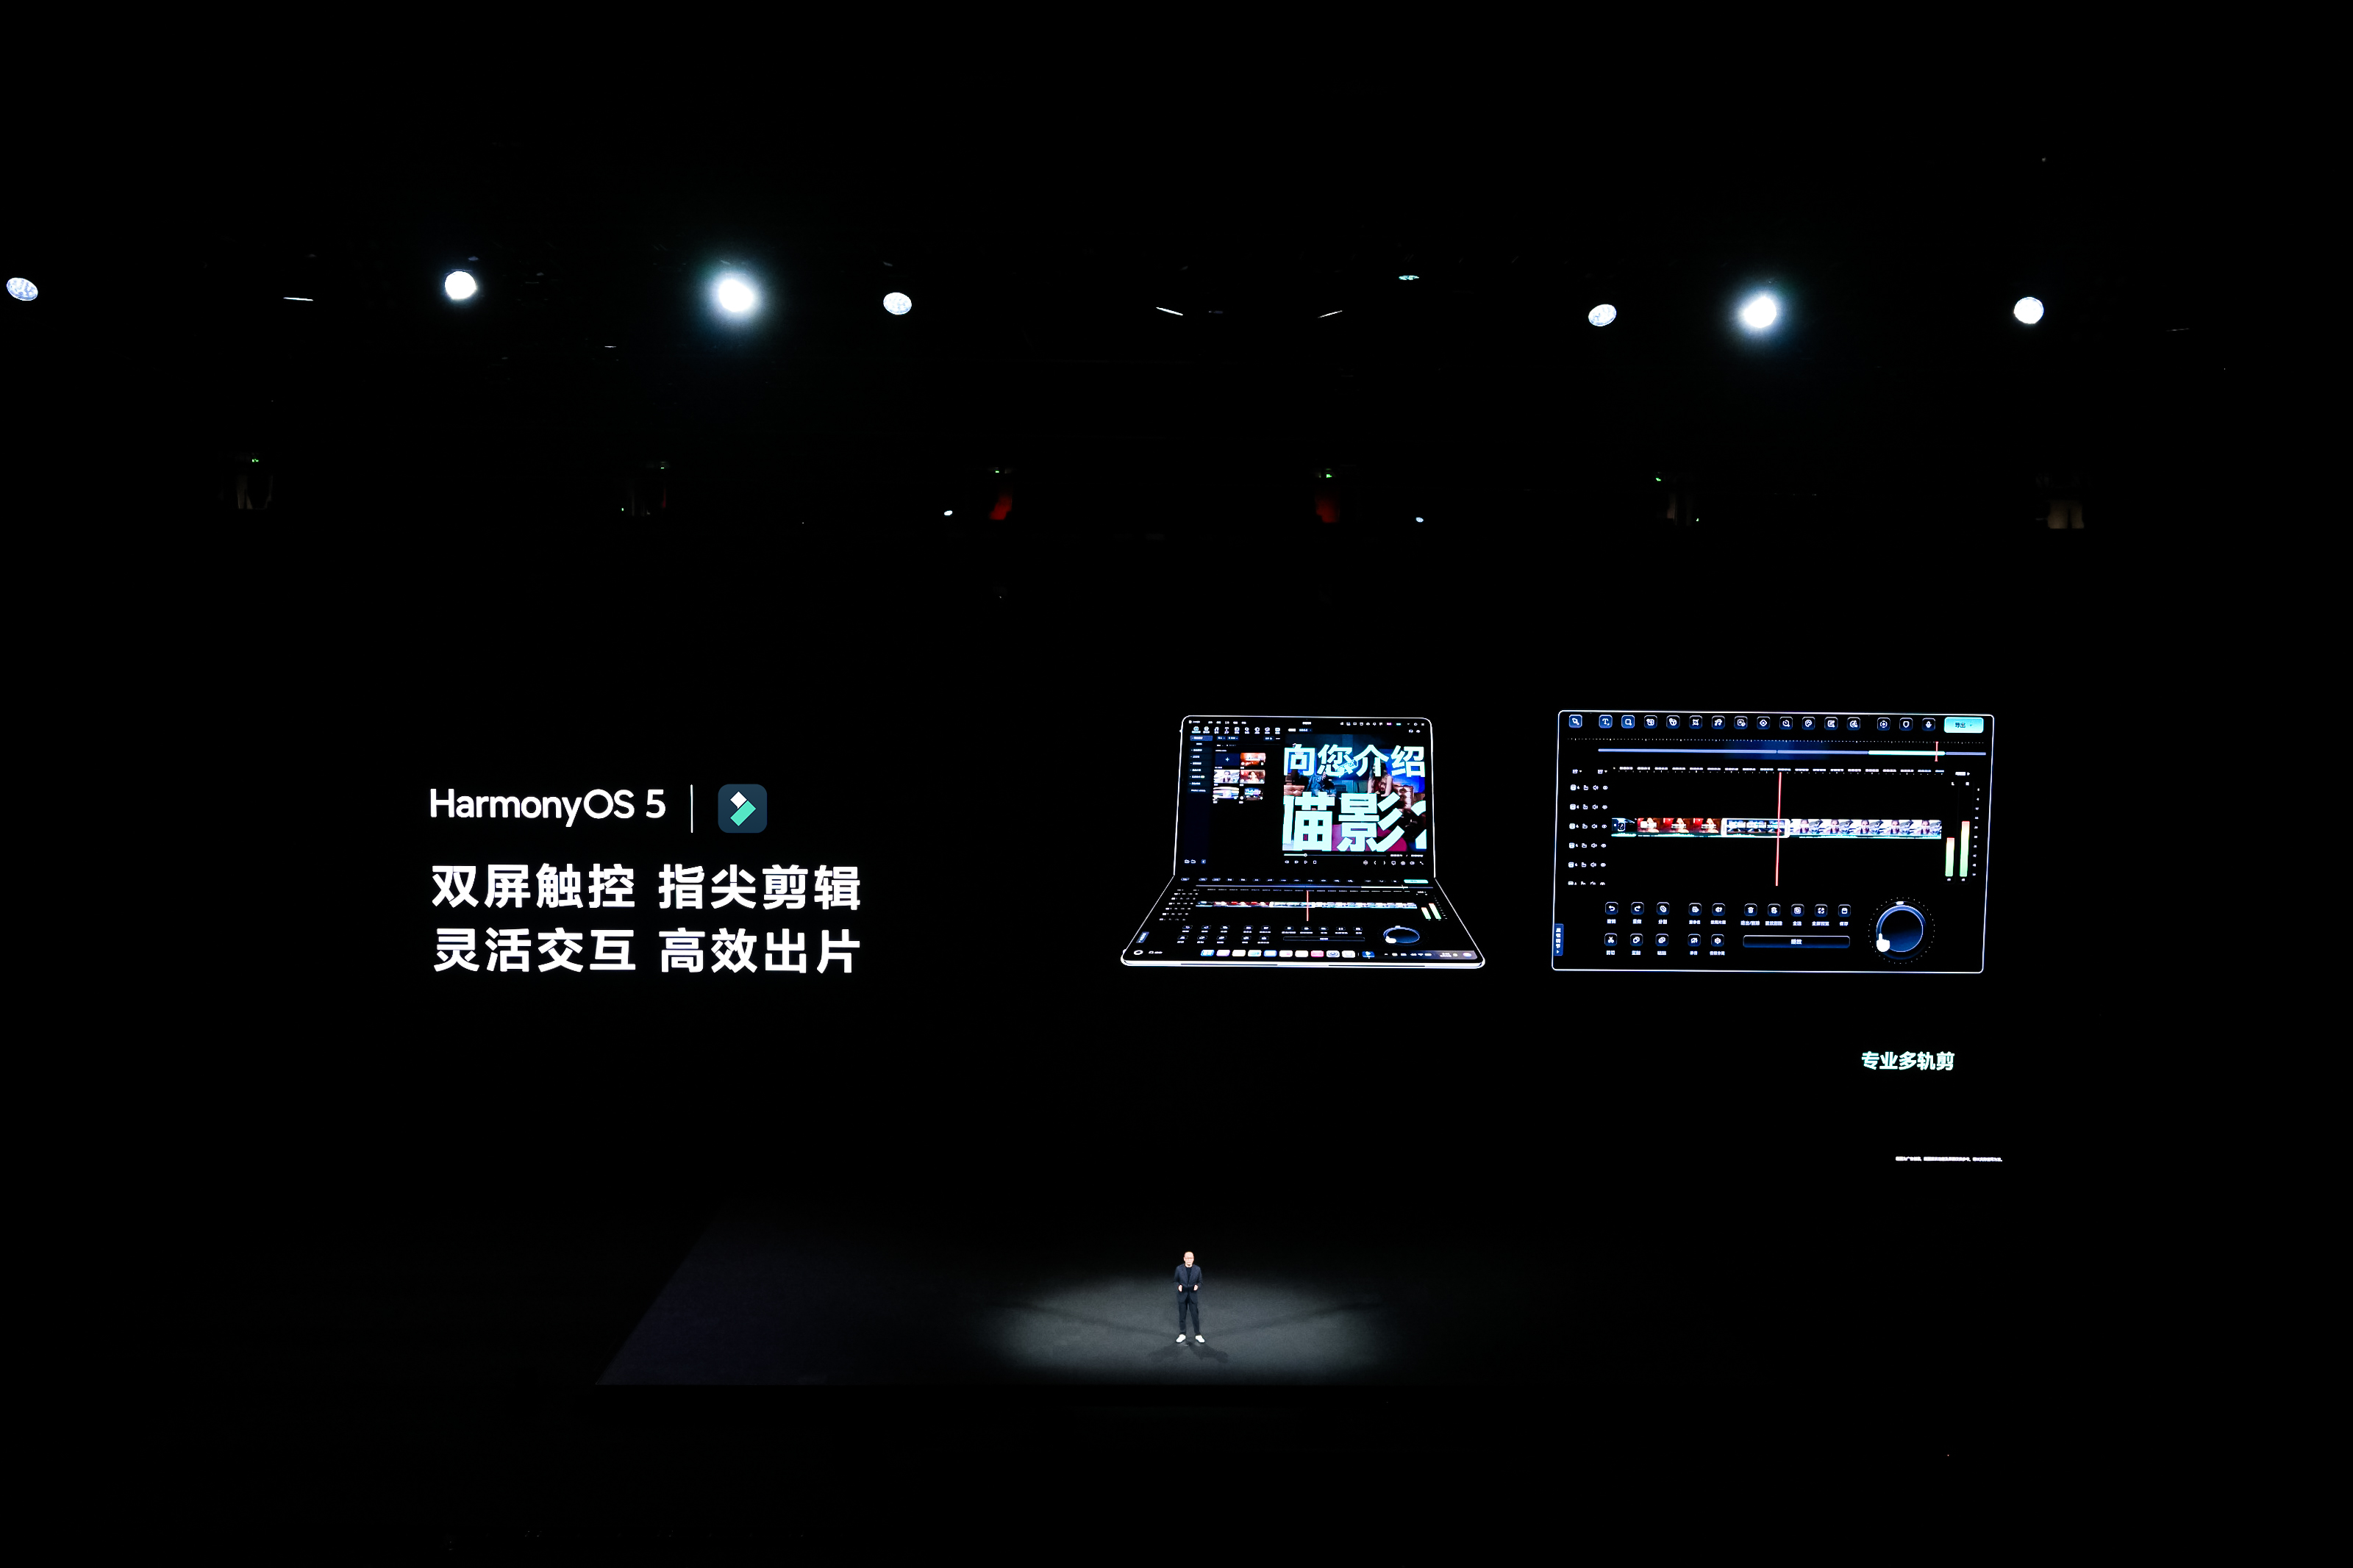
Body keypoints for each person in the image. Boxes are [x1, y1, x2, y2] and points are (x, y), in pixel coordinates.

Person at [1175, 1250, 1203, 1342]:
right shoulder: (1179, 1269)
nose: (1189, 1260)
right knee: (1182, 1316)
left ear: (1193, 1259)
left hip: (1192, 1295)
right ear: (1184, 1259)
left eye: (1191, 1258)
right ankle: (1182, 1334)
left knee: (1195, 1316)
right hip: (1182, 1295)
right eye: (1187, 1258)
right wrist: (1178, 1286)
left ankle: (1198, 1334)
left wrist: (1197, 1286)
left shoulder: (1197, 1269)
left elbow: (1200, 1282)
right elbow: (1176, 1281)